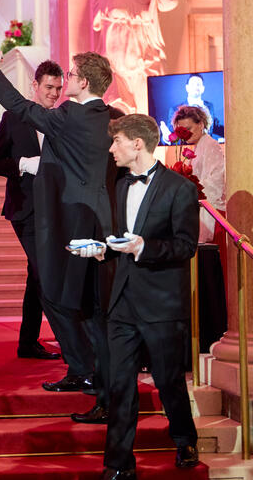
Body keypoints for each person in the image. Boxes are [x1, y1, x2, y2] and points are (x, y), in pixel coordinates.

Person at [0, 44, 113, 422]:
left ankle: (95, 379)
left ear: (82, 82)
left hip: (70, 222)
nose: (63, 83)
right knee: (83, 303)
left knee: (74, 301)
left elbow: (20, 106)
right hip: (86, 220)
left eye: (69, 76)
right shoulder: (108, 117)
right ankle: (90, 376)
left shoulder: (72, 116)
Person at [70, 114, 199, 479]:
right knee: (119, 383)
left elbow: (185, 246)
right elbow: (120, 240)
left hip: (161, 304)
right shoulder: (121, 186)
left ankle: (184, 437)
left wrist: (146, 247)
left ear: (137, 144)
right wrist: (100, 249)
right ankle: (119, 465)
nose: (112, 149)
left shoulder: (179, 188)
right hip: (122, 301)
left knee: (168, 380)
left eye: (117, 141)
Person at [0, 60, 64, 359]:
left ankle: (27, 342)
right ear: (35, 85)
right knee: (45, 271)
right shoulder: (14, 118)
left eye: (58, 88)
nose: (54, 94)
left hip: (55, 210)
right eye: (48, 87)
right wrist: (22, 164)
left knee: (37, 274)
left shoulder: (61, 119)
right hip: (25, 209)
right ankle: (70, 342)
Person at [91, 0, 177, 113]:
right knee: (115, 119)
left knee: (147, 117)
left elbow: (171, 2)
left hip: (144, 68)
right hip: (115, 70)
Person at [173, 106, 226, 243]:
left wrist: (189, 191)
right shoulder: (199, 146)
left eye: (189, 129)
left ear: (201, 124)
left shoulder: (210, 145)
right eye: (182, 130)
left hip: (213, 214)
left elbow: (216, 182)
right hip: (203, 210)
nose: (185, 133)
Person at [163, 74, 223, 142]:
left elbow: (213, 127)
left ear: (203, 88)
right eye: (193, 84)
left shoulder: (209, 106)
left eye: (198, 84)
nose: (196, 86)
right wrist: (166, 138)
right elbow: (170, 134)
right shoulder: (175, 110)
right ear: (187, 88)